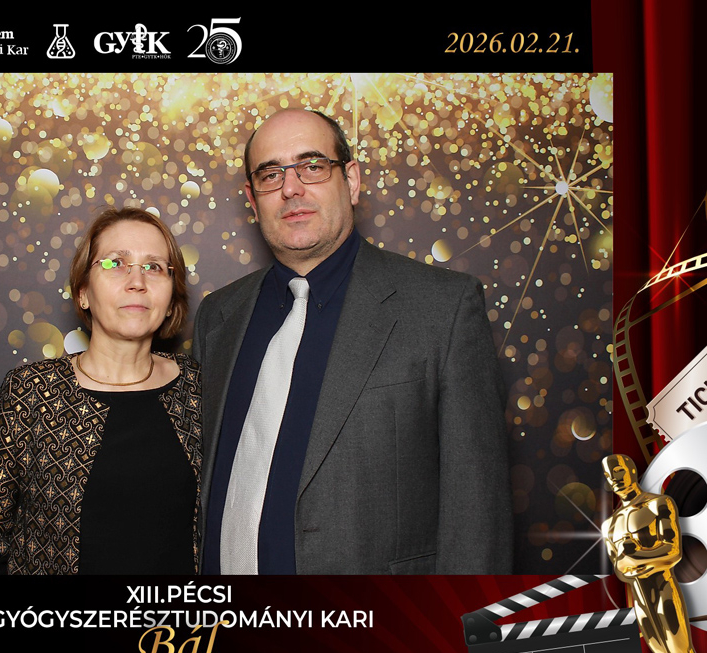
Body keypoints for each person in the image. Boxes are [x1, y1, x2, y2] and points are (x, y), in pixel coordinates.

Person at [192, 108, 511, 575]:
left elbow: (477, 518)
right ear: (252, 199)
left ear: (353, 181)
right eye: (270, 174)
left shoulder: (442, 309)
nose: (291, 188)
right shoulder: (219, 316)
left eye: (312, 166)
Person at [0, 206, 201, 574]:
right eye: (115, 263)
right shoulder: (30, 392)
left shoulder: (198, 387)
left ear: (171, 299)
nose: (137, 281)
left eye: (154, 267)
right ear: (83, 292)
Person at [601, 454, 707, 653]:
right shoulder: (609, 525)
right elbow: (619, 569)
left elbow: (672, 551)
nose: (614, 479)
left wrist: (635, 556)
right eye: (609, 475)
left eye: (618, 471)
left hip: (663, 589)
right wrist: (637, 560)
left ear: (631, 470)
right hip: (640, 600)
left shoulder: (658, 504)